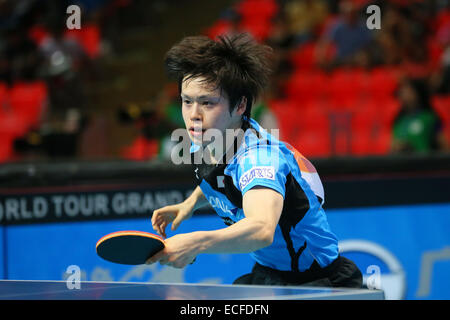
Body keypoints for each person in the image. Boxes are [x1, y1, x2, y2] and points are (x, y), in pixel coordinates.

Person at [147, 33, 362, 288]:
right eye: (187, 101)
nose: (194, 115)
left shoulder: (259, 160)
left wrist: (195, 243)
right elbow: (222, 175)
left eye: (207, 103)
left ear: (240, 106)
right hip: (270, 273)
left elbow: (261, 229)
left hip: (317, 280)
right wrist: (191, 203)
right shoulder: (212, 137)